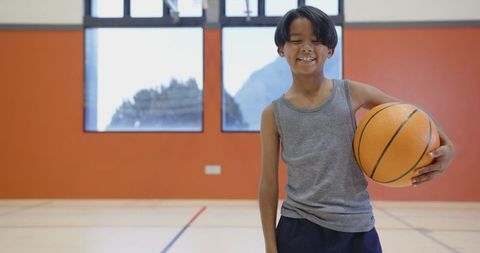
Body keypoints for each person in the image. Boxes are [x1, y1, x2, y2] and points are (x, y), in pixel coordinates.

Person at [258, 5, 455, 253]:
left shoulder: (352, 93)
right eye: (296, 40)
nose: (306, 47)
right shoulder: (272, 114)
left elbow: (413, 114)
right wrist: (270, 245)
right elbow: (268, 185)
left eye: (316, 41)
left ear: (330, 50)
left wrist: (448, 146)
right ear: (281, 49)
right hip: (299, 227)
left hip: (357, 225)